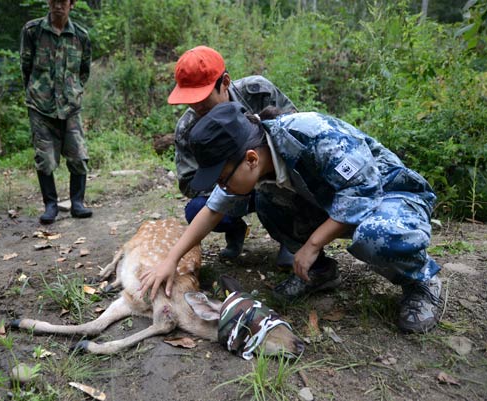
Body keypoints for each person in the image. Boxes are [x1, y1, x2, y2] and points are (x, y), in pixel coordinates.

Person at [140, 102, 443, 334]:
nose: (221, 187)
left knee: (376, 237)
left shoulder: (314, 134)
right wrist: (171, 259)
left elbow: (362, 192)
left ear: (251, 159)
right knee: (268, 200)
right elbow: (211, 211)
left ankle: (421, 281)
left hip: (392, 195)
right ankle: (320, 273)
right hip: (335, 200)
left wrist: (312, 243)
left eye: (223, 179)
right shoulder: (257, 160)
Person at [167, 45, 297, 264]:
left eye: (202, 97)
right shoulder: (187, 129)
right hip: (229, 188)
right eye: (190, 98)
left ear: (225, 82)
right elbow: (190, 184)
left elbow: (292, 132)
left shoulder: (259, 92)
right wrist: (228, 177)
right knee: (196, 210)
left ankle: (292, 239)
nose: (197, 105)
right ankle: (235, 229)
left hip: (276, 177)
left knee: (281, 185)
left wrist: (259, 173)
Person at [20, 0, 92, 224]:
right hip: (40, 107)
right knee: (45, 159)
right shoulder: (33, 31)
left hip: (70, 107)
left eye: (63, 1)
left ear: (72, 4)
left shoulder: (80, 35)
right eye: (54, 0)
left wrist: (74, 91)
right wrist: (37, 92)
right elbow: (26, 66)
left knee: (79, 156)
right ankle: (50, 205)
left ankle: (77, 203)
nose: (58, 5)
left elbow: (84, 70)